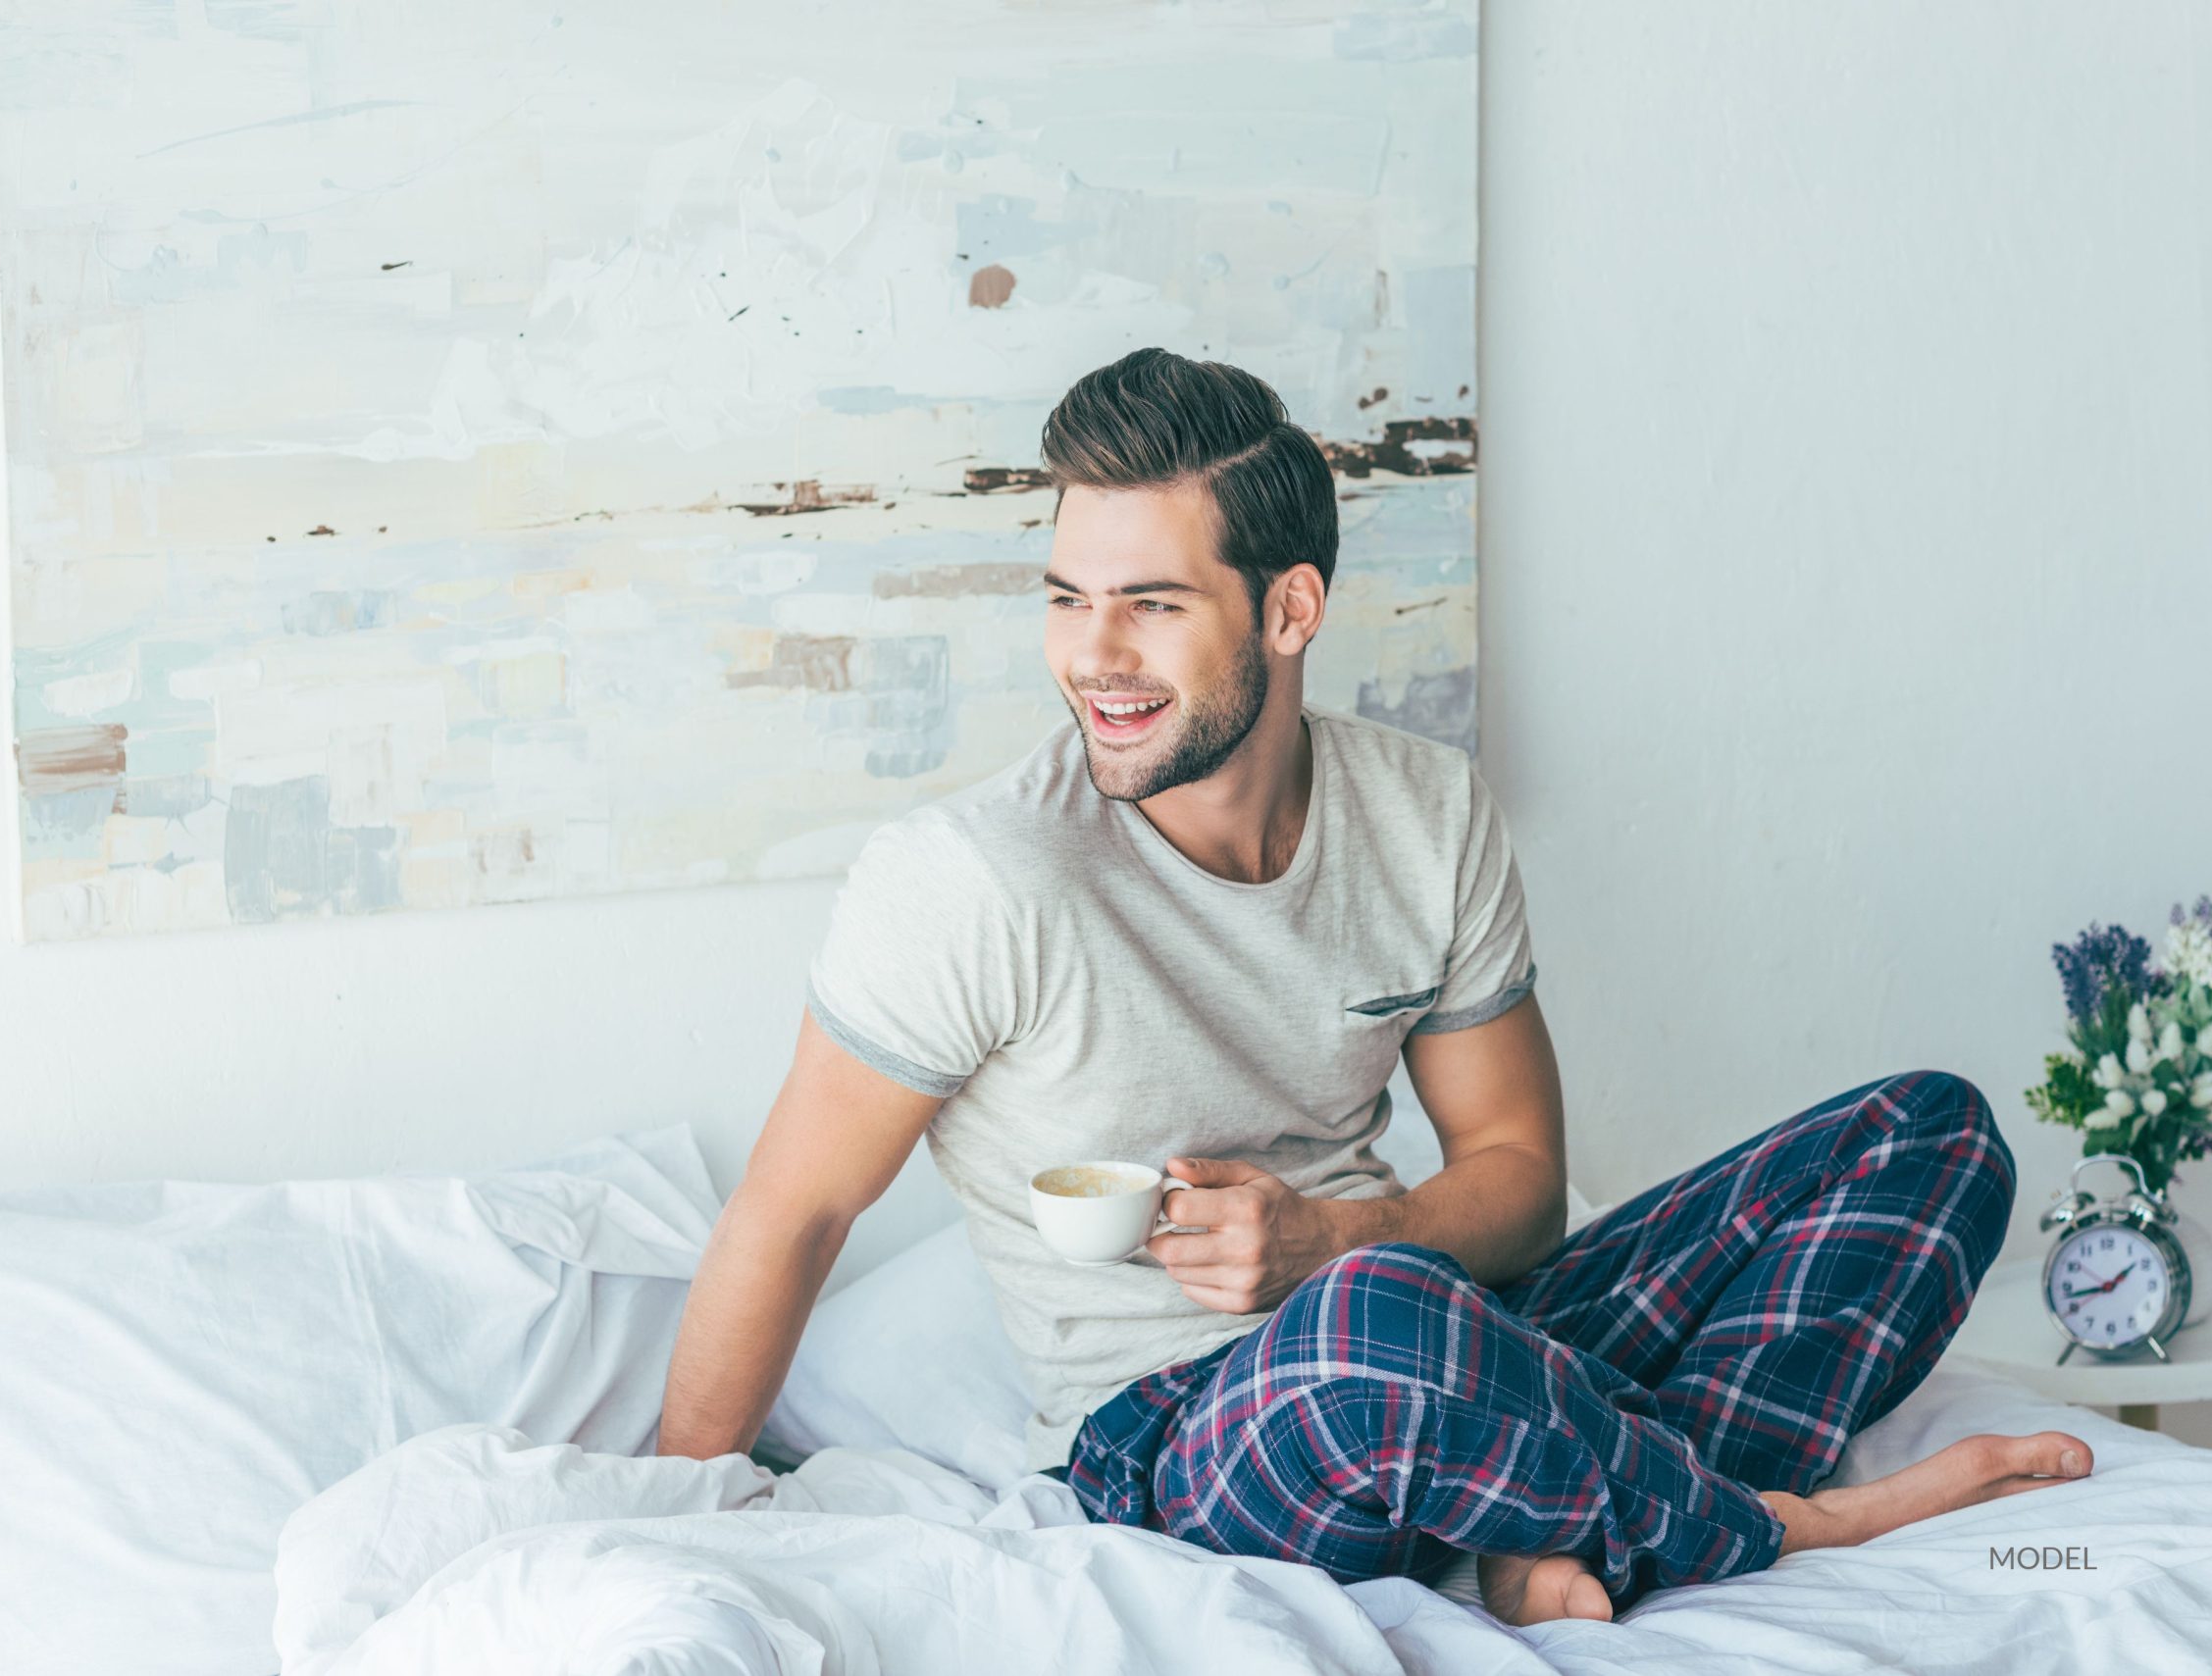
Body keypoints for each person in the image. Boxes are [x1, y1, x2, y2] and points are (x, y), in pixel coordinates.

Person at [658, 347, 2090, 1624]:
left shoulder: (1428, 812)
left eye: (1149, 605)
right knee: (1377, 1324)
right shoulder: (972, 879)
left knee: (1934, 1133)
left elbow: (1523, 1180)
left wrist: (1331, 1235)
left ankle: (1550, 1511)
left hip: (1449, 1325)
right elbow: (793, 1213)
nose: (1090, 658)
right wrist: (664, 1515)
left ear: (1289, 609)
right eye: (1068, 600)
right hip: (1194, 1438)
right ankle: (1750, 1517)